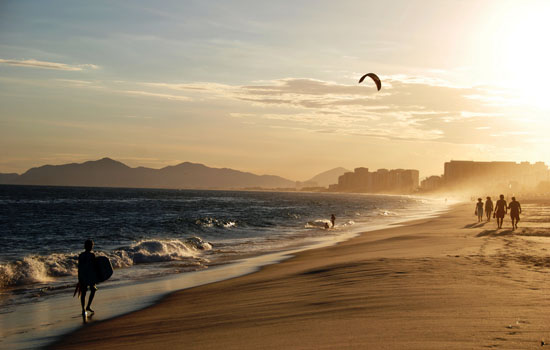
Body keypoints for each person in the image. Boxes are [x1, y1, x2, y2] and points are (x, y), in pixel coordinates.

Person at [78, 239, 97, 316]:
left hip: (83, 275)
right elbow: (95, 266)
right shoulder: (92, 255)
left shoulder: (81, 255)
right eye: (91, 245)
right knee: (93, 289)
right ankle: (88, 306)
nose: (92, 247)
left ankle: (83, 309)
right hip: (90, 275)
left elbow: (79, 267)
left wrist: (79, 277)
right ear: (89, 246)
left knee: (84, 292)